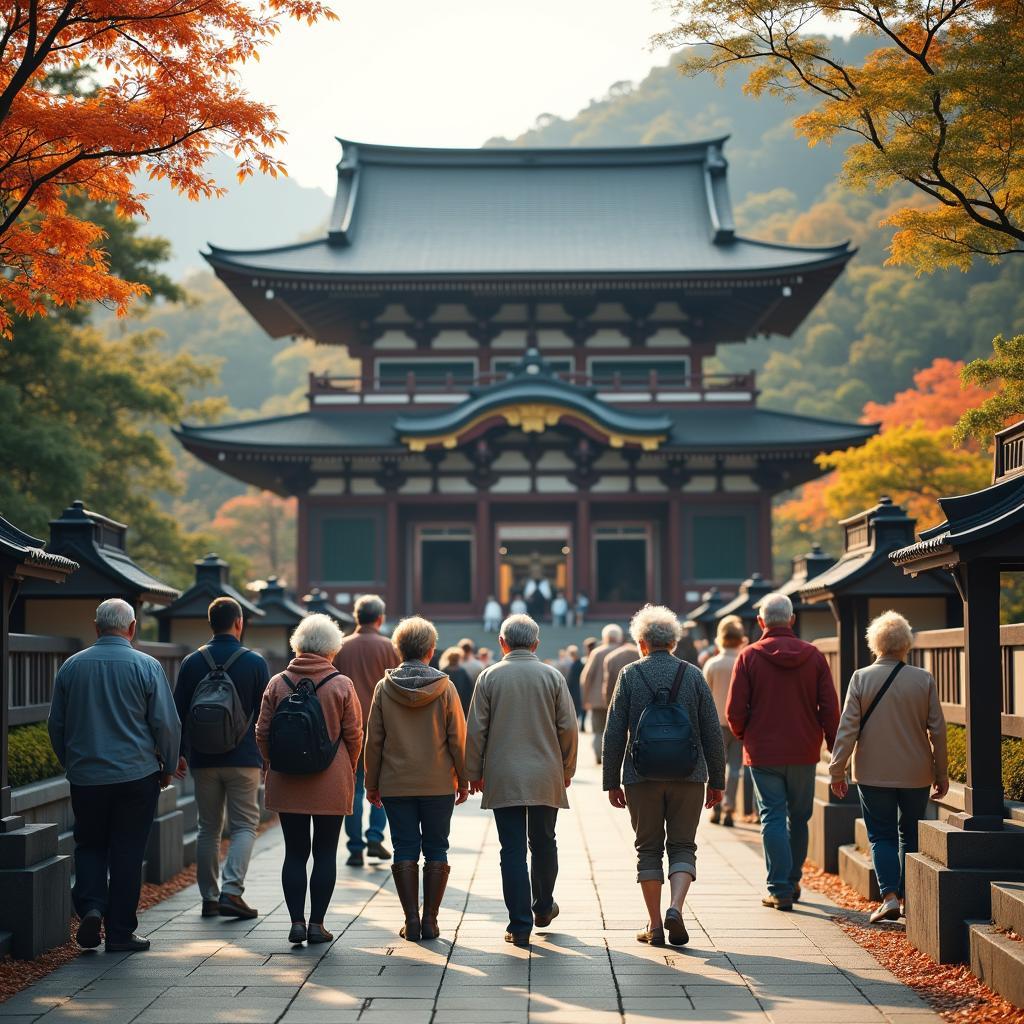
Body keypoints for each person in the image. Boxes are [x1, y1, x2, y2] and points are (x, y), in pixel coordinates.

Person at [48, 598, 180, 953]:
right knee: (127, 850)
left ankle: (91, 907)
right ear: (133, 627)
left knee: (90, 844)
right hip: (136, 776)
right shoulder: (147, 666)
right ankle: (120, 932)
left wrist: (72, 763)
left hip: (87, 775)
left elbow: (56, 725)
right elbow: (166, 724)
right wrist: (167, 767)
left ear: (96, 627)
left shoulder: (71, 667)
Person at [603, 605, 725, 947]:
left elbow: (614, 732)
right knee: (684, 845)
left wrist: (611, 779)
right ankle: (676, 906)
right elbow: (712, 732)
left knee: (648, 849)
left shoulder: (629, 674)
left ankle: (655, 925)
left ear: (641, 642)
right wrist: (717, 779)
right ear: (673, 641)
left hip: (641, 776)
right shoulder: (693, 674)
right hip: (689, 773)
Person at [466, 614, 578, 946]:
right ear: (536, 644)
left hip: (503, 773)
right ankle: (543, 906)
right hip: (545, 772)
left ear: (502, 642)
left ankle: (519, 924)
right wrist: (567, 769)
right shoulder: (553, 676)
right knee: (544, 841)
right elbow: (568, 728)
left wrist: (473, 772)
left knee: (511, 849)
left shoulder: (489, 677)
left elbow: (476, 730)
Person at [829, 611, 948, 924]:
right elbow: (938, 729)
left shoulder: (861, 678)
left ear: (875, 644)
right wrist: (942, 773)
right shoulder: (923, 679)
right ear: (906, 645)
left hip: (873, 772)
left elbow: (847, 729)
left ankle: (889, 897)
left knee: (881, 835)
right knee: (910, 834)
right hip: (916, 772)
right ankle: (908, 900)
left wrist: (836, 771)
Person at [727, 592, 840, 910]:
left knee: (772, 816)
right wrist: (833, 747)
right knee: (799, 817)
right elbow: (830, 708)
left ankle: (778, 888)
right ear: (792, 620)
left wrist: (745, 735)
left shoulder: (749, 656)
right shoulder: (814, 656)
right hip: (803, 749)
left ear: (761, 622)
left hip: (764, 752)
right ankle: (792, 880)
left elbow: (735, 710)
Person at [256, 613, 363, 945]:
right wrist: (349, 767)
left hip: (288, 780)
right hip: (330, 781)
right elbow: (354, 735)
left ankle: (296, 922)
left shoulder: (278, 683)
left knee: (295, 852)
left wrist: (272, 763)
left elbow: (261, 732)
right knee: (326, 852)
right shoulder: (341, 684)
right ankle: (317, 924)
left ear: (298, 645)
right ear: (332, 648)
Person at [363, 617, 469, 941]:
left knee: (404, 846)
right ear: (431, 650)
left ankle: (411, 920)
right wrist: (463, 779)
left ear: (398, 648)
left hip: (396, 783)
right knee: (437, 846)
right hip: (437, 783)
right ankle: (431, 920)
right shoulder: (445, 687)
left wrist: (371, 783)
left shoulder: (385, 688)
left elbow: (374, 740)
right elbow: (458, 739)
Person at [173, 597, 270, 920]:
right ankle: (232, 891)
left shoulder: (191, 662)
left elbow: (179, 713)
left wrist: (179, 755)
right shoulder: (255, 663)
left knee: (208, 828)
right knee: (244, 826)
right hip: (244, 759)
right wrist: (266, 757)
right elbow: (265, 717)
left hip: (203, 760)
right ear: (239, 623)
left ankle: (209, 898)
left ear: (210, 623)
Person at [335, 594, 400, 867]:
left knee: (354, 789)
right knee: (380, 785)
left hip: (346, 728)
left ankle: (355, 847)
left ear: (356, 617)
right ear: (380, 618)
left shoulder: (340, 647)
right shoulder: (390, 647)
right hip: (380, 728)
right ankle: (374, 835)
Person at [701, 615, 746, 828]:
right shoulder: (744, 661)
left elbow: (704, 695)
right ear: (740, 640)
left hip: (715, 723)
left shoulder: (712, 664)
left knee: (716, 767)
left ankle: (715, 805)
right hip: (739, 723)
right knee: (736, 769)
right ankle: (729, 808)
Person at [579, 623, 622, 763]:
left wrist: (585, 699)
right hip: (618, 699)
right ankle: (613, 758)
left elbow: (586, 677)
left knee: (598, 731)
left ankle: (599, 756)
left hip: (597, 700)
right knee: (616, 731)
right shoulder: (622, 652)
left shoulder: (596, 653)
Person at [603, 637, 640, 707]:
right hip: (639, 701)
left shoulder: (612, 656)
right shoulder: (641, 654)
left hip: (618, 701)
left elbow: (609, 684)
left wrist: (608, 703)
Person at [439, 645, 474, 715]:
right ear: (459, 658)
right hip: (460, 706)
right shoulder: (462, 672)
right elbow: (468, 691)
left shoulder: (442, 672)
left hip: (444, 706)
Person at [565, 644, 585, 727]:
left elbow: (571, 679)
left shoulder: (577, 664)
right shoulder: (578, 663)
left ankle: (577, 724)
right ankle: (579, 724)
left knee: (576, 708)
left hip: (575, 689)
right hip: (577, 688)